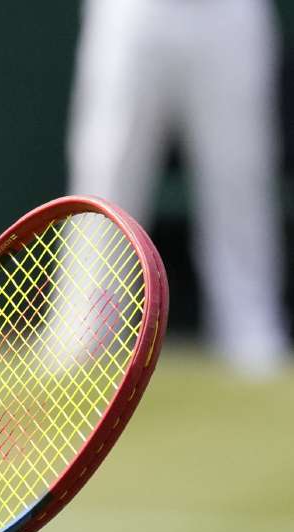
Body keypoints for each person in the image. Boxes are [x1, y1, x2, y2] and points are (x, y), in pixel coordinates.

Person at [67, 0, 290, 378]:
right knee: (108, 171)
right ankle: (88, 331)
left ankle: (250, 333)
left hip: (228, 15)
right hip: (134, 13)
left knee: (239, 174)